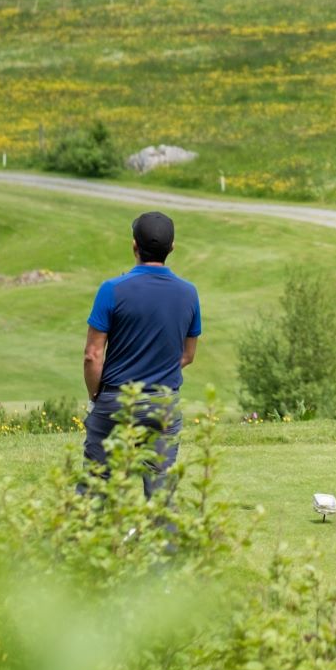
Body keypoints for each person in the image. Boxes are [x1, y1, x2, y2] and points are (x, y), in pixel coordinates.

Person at [81, 210, 201, 498]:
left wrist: (97, 396)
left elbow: (92, 355)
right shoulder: (189, 293)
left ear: (134, 245)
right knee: (160, 494)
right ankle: (163, 542)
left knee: (95, 489)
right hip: (163, 402)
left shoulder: (112, 289)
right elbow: (188, 355)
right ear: (172, 248)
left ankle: (86, 541)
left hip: (115, 399)